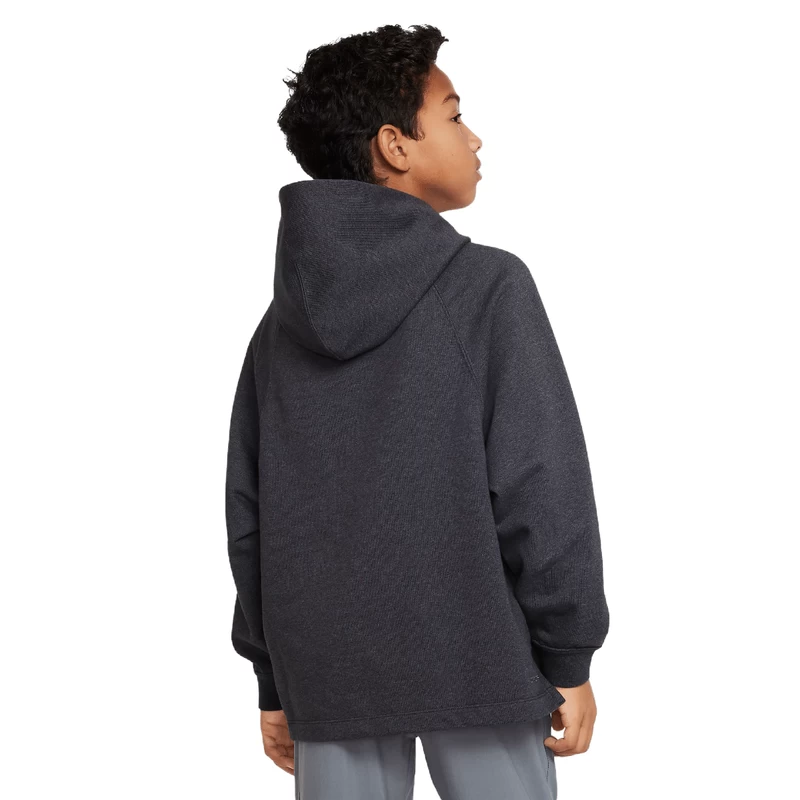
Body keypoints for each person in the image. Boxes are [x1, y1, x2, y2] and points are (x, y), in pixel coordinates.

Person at [225, 23, 610, 800]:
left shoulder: (279, 328)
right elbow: (543, 485)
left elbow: (251, 516)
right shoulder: (488, 288)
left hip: (325, 671)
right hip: (478, 660)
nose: (475, 137)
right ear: (395, 146)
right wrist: (568, 655)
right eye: (455, 115)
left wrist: (273, 675)